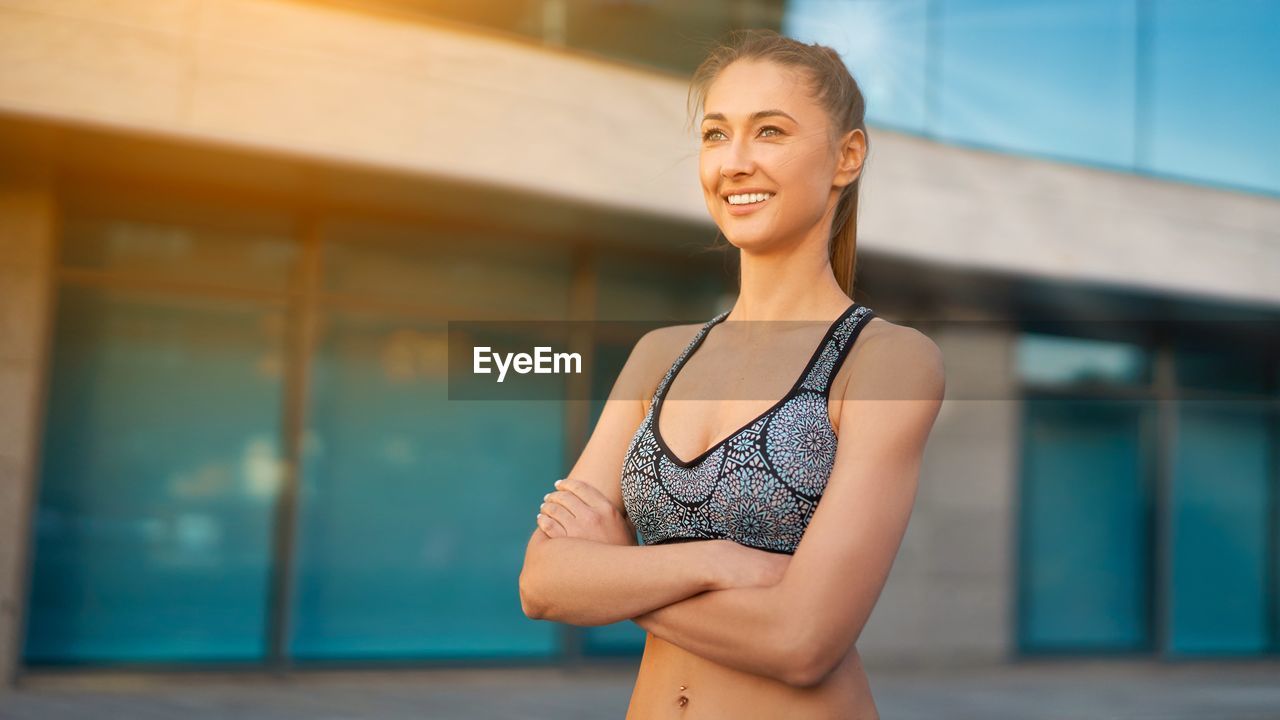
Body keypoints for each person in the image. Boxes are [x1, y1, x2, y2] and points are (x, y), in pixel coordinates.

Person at [519, 28, 945, 719]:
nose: (735, 163)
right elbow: (542, 582)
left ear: (847, 155)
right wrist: (716, 560)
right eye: (716, 135)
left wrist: (616, 572)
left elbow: (803, 641)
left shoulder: (885, 360)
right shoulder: (660, 356)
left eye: (769, 132)